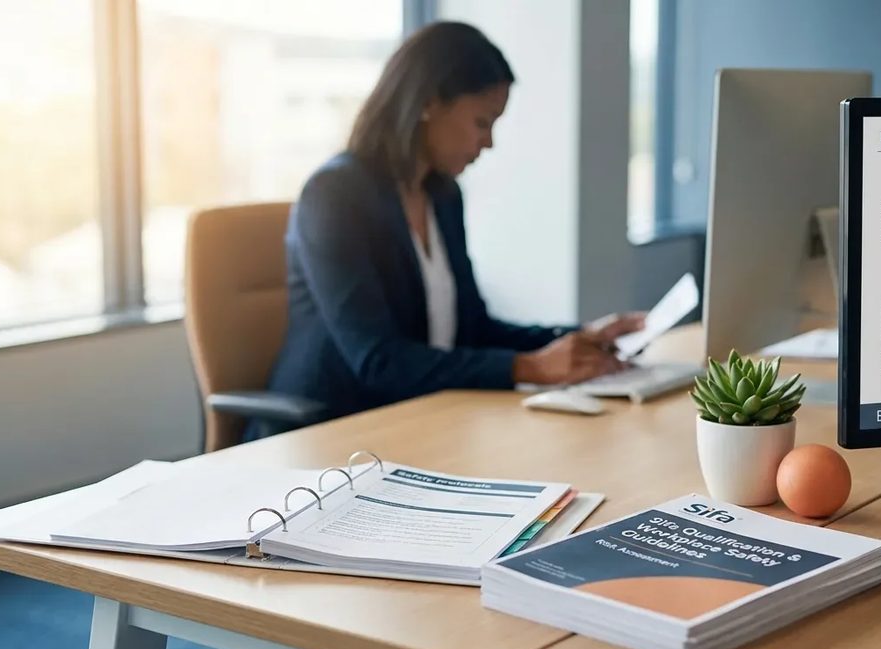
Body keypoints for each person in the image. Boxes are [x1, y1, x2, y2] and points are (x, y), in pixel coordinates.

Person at [258, 21, 645, 436]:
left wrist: (577, 339)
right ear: (429, 103)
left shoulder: (442, 196)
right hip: (335, 434)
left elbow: (473, 328)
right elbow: (377, 359)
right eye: (482, 122)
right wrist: (530, 367)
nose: (489, 143)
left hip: (422, 420)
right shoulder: (335, 194)